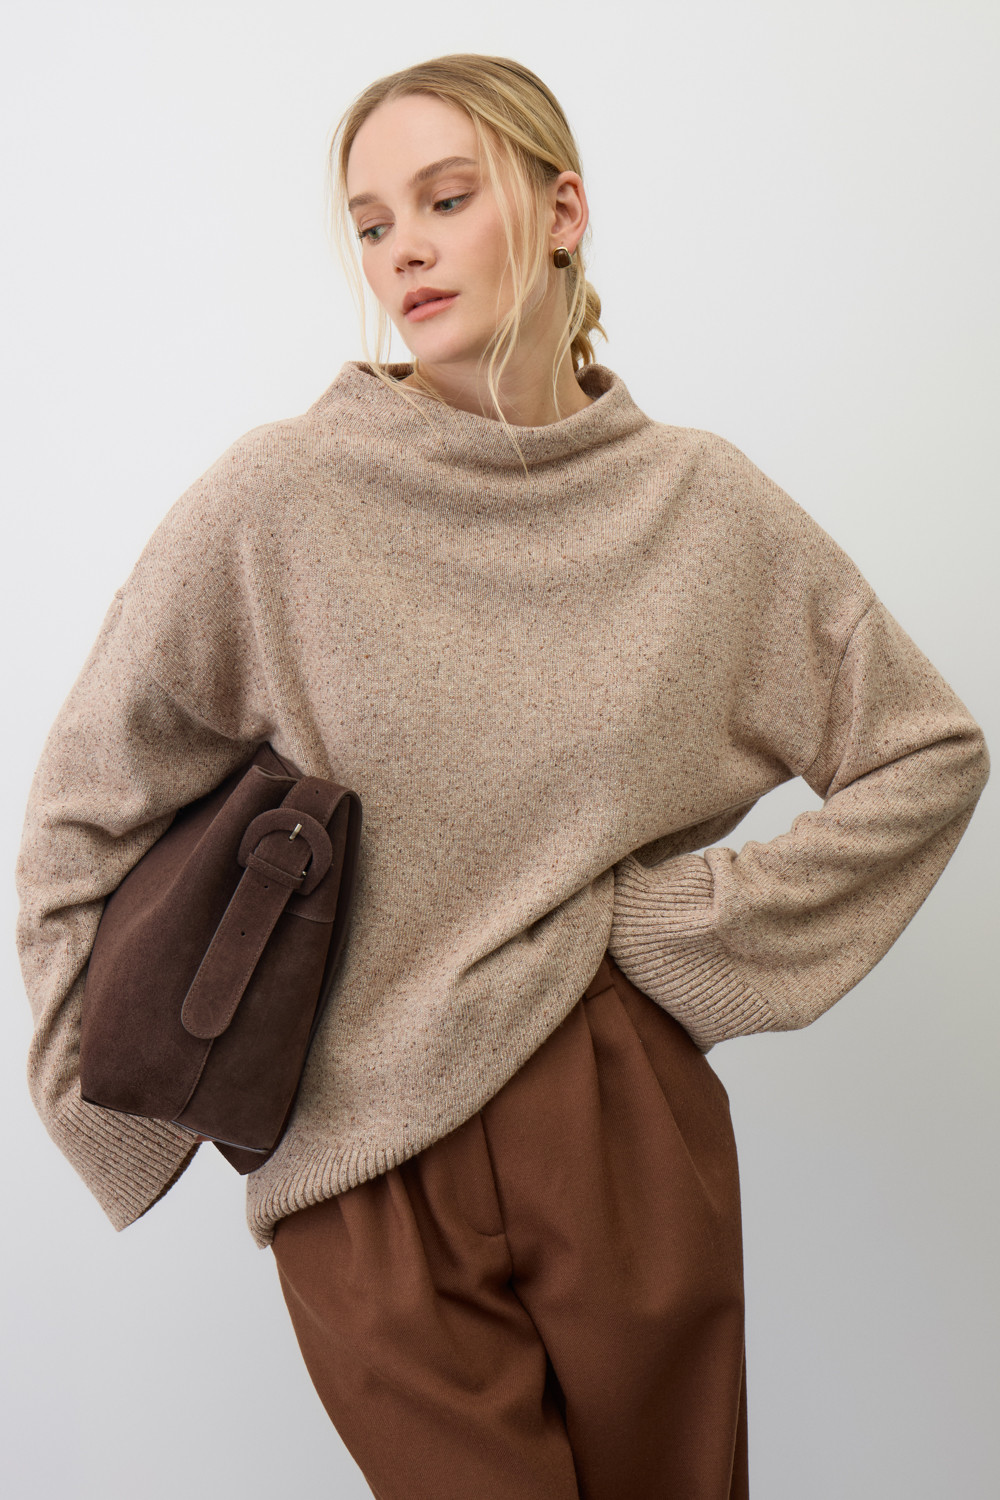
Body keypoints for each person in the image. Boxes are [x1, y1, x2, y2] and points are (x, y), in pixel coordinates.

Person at [14, 51, 990, 1500]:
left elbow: (927, 751)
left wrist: (680, 930)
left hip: (611, 1112)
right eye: (370, 222)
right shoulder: (279, 500)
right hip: (357, 1165)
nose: (401, 248)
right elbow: (78, 812)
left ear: (560, 211)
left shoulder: (700, 508)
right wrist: (95, 1086)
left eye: (445, 198)